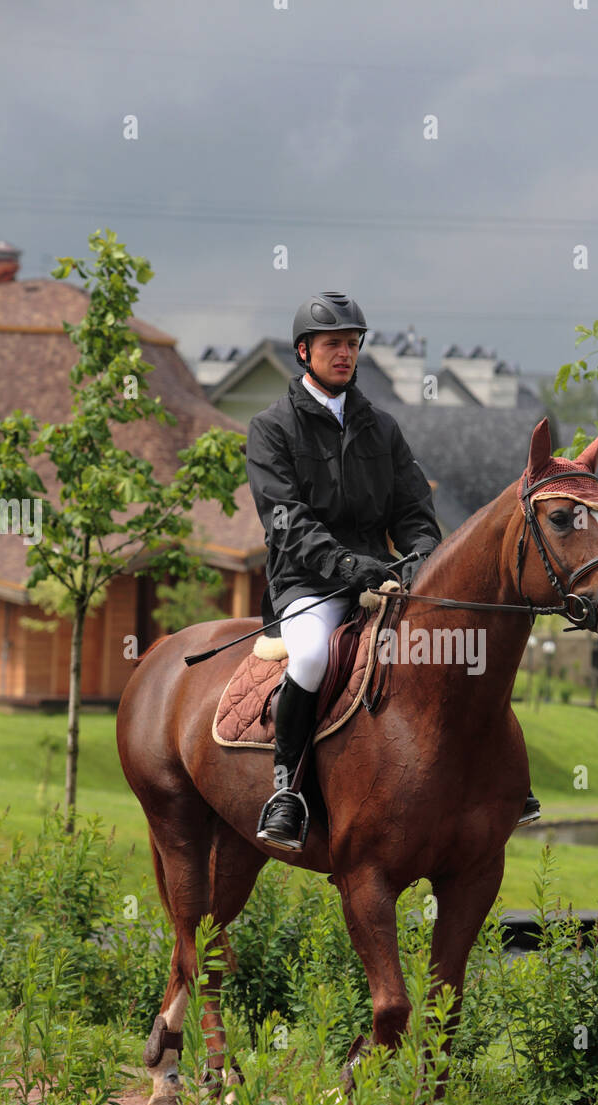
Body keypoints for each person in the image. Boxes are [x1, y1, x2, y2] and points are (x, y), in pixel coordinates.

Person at [245, 290, 540, 851]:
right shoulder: (272, 429)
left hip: (384, 579)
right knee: (310, 654)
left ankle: (497, 780)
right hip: (308, 581)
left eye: (353, 345)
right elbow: (286, 519)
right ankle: (288, 790)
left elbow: (413, 511)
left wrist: (420, 560)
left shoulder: (382, 428)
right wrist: (345, 564)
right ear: (304, 352)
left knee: (461, 648)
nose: (346, 354)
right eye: (334, 344)